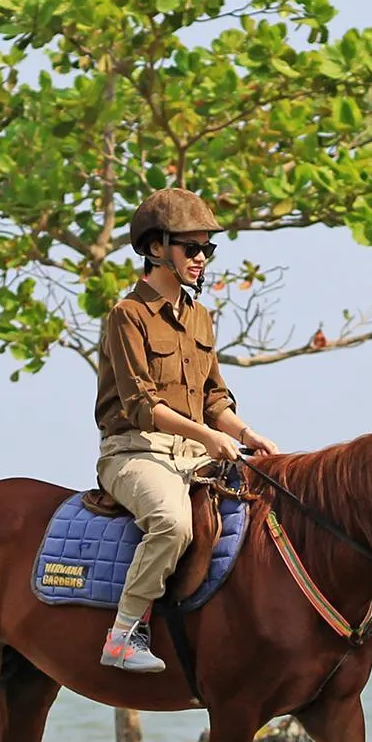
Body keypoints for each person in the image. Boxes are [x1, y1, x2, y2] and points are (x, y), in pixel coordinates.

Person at [93, 188, 279, 673]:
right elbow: (139, 404)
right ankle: (123, 634)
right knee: (173, 525)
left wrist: (246, 433)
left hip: (193, 451)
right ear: (157, 248)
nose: (202, 259)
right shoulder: (126, 316)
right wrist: (206, 437)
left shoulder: (199, 316)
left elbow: (215, 398)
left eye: (207, 249)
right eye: (191, 248)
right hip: (134, 452)